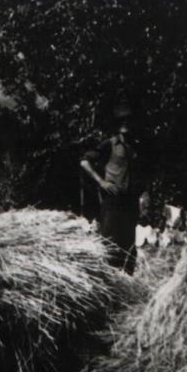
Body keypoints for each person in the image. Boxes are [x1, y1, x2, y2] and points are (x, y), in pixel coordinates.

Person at [80, 101, 141, 274]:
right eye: (122, 121)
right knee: (109, 242)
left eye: (128, 120)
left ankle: (128, 282)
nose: (126, 124)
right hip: (112, 201)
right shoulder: (110, 144)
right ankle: (107, 280)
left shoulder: (134, 147)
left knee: (129, 244)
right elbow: (85, 162)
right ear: (117, 124)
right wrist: (101, 183)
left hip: (129, 202)